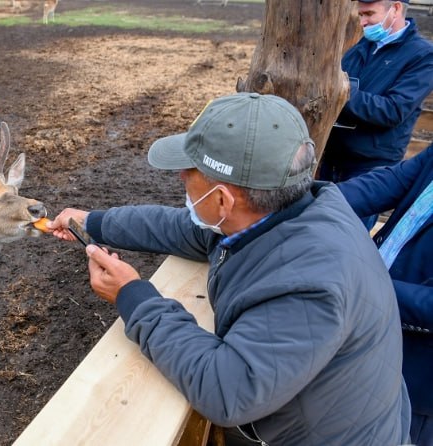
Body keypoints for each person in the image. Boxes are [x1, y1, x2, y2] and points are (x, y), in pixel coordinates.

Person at [46, 92, 411, 445]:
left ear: (222, 200)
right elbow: (182, 229)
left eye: (189, 171)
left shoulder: (308, 284)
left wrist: (132, 296)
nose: (181, 178)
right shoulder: (290, 211)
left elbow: (227, 390)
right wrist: (94, 222)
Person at [338, 143, 433, 446]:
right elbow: (388, 182)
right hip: (369, 338)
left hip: (417, 374)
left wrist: (367, 285)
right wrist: (304, 200)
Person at [318, 0, 433, 227]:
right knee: (319, 227)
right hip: (333, 160)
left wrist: (341, 91)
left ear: (396, 8)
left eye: (369, 14)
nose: (363, 22)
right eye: (360, 15)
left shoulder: (422, 56)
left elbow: (393, 110)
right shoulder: (360, 47)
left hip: (370, 168)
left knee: (348, 232)